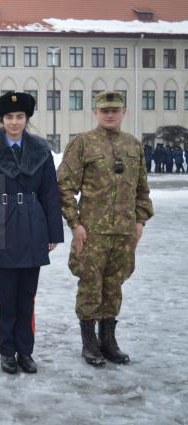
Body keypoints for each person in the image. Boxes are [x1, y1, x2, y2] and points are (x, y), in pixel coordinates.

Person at [57, 91, 154, 367]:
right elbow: (64, 186)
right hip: (92, 232)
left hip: (124, 232)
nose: (110, 115)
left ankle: (108, 341)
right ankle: (89, 344)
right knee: (90, 286)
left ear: (124, 112)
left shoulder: (134, 146)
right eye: (104, 110)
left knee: (113, 286)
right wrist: (75, 224)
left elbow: (142, 189)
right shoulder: (83, 144)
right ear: (95, 113)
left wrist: (139, 221)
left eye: (115, 110)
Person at [0, 91, 63, 374]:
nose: (15, 122)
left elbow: (49, 192)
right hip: (2, 226)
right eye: (9, 117)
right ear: (1, 120)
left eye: (20, 117)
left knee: (28, 296)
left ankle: (26, 351)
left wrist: (53, 232)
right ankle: (7, 351)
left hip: (33, 225)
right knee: (7, 297)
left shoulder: (40, 150)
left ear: (27, 119)